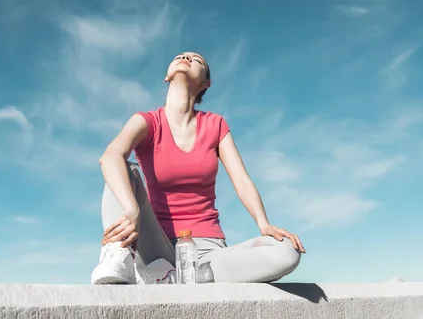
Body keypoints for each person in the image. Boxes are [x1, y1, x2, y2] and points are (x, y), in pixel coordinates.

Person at [91, 52, 305, 285]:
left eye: (197, 60)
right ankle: (118, 256)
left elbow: (241, 180)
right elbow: (110, 156)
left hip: (206, 254)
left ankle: (177, 278)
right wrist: (132, 210)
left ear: (206, 84)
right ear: (167, 76)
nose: (186, 57)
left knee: (285, 251)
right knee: (123, 169)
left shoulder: (215, 125)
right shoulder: (148, 121)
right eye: (180, 56)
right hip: (155, 248)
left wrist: (263, 224)